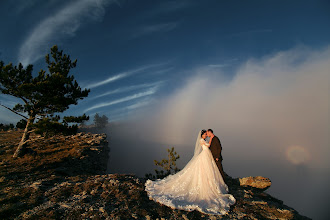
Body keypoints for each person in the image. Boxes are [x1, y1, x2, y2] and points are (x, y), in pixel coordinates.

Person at [145, 130, 235, 215]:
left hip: (206, 156)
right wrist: (211, 139)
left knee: (208, 171)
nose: (205, 135)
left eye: (205, 134)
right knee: (203, 170)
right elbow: (207, 146)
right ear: (202, 135)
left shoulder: (203, 139)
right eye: (204, 134)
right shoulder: (202, 140)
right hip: (204, 156)